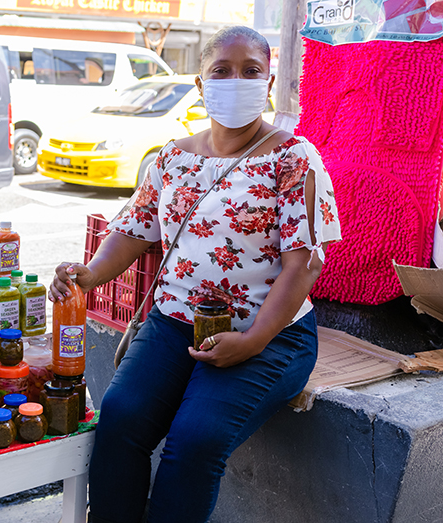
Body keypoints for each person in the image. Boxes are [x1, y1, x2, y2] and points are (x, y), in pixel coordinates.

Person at [49, 26, 341, 523]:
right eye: (221, 71)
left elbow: (304, 263)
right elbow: (134, 232)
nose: (236, 80)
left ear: (268, 83)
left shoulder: (294, 158)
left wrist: (252, 341)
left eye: (250, 71)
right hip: (172, 323)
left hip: (269, 336)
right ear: (201, 85)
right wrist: (89, 274)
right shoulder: (173, 158)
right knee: (119, 423)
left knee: (196, 439)